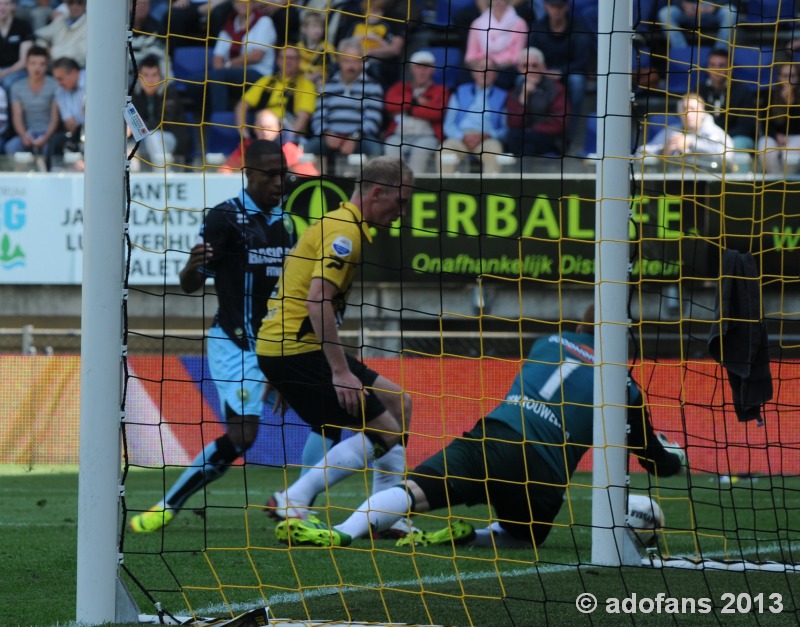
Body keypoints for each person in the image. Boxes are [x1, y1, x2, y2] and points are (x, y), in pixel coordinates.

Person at [275, 306, 688, 549]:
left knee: (410, 493)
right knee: (525, 536)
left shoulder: (547, 343)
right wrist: (674, 458)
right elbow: (653, 459)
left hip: (493, 438)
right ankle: (471, 536)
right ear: (626, 344)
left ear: (580, 328)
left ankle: (342, 534)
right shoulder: (626, 387)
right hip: (543, 474)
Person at [129, 139, 312, 533]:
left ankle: (298, 502)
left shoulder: (291, 222)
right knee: (243, 436)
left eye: (284, 174)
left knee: (330, 414)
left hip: (280, 342)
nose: (280, 182)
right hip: (238, 344)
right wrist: (190, 269)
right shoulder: (224, 219)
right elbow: (192, 283)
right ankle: (169, 505)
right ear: (249, 174)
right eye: (271, 175)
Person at [256, 156, 415, 537]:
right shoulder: (345, 233)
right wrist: (340, 371)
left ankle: (387, 515)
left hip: (291, 348)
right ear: (377, 193)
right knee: (387, 431)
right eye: (402, 201)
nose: (403, 212)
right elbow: (317, 301)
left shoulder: (340, 223)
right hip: (297, 349)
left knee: (400, 403)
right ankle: (293, 498)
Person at [303, 38, 385, 165]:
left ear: (362, 62)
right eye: (347, 61)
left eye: (355, 61)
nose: (351, 66)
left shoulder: (373, 86)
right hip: (330, 136)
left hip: (360, 137)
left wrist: (354, 137)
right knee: (308, 149)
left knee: (375, 150)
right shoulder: (327, 86)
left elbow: (373, 121)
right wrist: (327, 133)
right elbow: (318, 118)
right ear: (340, 61)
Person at [383, 49, 450, 174]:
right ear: (412, 69)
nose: (422, 71)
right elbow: (390, 104)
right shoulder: (400, 87)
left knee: (419, 153)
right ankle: (396, 188)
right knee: (391, 148)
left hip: (426, 137)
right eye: (419, 66)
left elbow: (436, 112)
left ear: (433, 69)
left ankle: (412, 189)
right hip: (399, 135)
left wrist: (408, 108)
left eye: (426, 67)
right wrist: (416, 101)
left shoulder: (440, 90)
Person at [233, 45, 317, 144]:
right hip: (263, 130)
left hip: (289, 134)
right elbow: (242, 104)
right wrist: (244, 132)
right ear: (278, 60)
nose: (288, 61)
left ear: (299, 61)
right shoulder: (266, 81)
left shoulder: (306, 85)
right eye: (284, 57)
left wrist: (289, 139)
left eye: (292, 58)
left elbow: (304, 116)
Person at [206, 0, 276, 117]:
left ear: (253, 3)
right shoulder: (230, 24)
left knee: (216, 76)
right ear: (233, 4)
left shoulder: (264, 22)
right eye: (239, 1)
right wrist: (220, 70)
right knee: (196, 82)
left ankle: (220, 119)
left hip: (258, 73)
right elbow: (217, 57)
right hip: (231, 73)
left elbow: (257, 56)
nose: (243, 3)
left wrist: (227, 66)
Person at [441, 58, 508, 175]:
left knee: (495, 152)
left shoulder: (503, 96)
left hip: (487, 138)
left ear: (496, 74)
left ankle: (488, 191)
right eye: (481, 68)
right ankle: (446, 189)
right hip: (460, 137)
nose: (485, 71)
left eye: (490, 69)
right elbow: (448, 124)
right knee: (445, 151)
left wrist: (489, 135)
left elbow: (505, 129)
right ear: (473, 72)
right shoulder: (459, 92)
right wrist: (462, 136)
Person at [528, 0, 594, 118]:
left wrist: (561, 72)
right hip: (543, 72)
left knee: (577, 81)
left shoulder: (579, 27)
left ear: (566, 7)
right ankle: (533, 126)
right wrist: (543, 71)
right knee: (522, 79)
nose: (556, 10)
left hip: (570, 73)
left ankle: (571, 127)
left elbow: (583, 62)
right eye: (553, 6)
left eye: (560, 6)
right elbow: (531, 55)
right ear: (546, 7)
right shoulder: (538, 27)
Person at [638, 92, 734, 169]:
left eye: (693, 109)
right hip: (674, 183)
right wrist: (662, 151)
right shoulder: (671, 132)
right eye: (684, 109)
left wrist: (691, 142)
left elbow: (727, 154)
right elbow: (640, 153)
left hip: (708, 183)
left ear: (702, 111)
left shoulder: (714, 132)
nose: (688, 113)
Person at [504, 46, 569, 158]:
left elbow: (560, 122)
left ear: (543, 67)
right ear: (519, 68)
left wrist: (534, 129)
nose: (530, 69)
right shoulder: (515, 92)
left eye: (535, 65)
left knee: (528, 147)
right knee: (513, 138)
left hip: (549, 137)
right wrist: (523, 97)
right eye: (525, 66)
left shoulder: (556, 89)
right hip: (522, 137)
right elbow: (514, 124)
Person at [129, 54, 191, 166]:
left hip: (171, 141)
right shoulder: (133, 95)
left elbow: (162, 123)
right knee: (129, 149)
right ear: (138, 77)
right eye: (145, 75)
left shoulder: (169, 93)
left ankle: (163, 173)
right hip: (142, 142)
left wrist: (134, 127)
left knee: (154, 136)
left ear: (160, 76)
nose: (150, 80)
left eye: (154, 75)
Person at [221, 108, 319, 177]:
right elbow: (226, 169)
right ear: (255, 129)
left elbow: (311, 175)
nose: (265, 132)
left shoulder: (289, 149)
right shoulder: (246, 147)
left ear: (278, 128)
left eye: (269, 128)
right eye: (261, 127)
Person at [5, 44, 59, 169]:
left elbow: (54, 118)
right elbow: (17, 116)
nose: (37, 68)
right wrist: (24, 136)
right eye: (33, 63)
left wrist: (45, 137)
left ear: (47, 65)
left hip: (48, 134)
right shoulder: (17, 87)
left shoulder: (54, 85)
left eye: (42, 64)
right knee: (11, 146)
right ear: (26, 65)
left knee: (50, 148)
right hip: (26, 133)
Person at [699, 47, 758, 151]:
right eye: (713, 65)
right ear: (707, 67)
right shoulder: (699, 90)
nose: (717, 70)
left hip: (735, 137)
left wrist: (720, 138)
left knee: (731, 146)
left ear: (730, 67)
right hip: (707, 136)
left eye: (722, 65)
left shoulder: (742, 90)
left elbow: (745, 127)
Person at [464, 0, 529, 89]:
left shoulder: (520, 24)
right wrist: (480, 68)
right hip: (480, 66)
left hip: (505, 69)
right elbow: (470, 56)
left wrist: (494, 67)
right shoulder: (477, 23)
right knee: (463, 79)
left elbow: (516, 57)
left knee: (502, 80)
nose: (498, 1)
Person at [346, 0, 404, 89]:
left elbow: (393, 48)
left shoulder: (385, 26)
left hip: (376, 62)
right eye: (370, 11)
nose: (373, 15)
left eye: (377, 12)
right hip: (356, 58)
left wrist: (375, 41)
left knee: (374, 69)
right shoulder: (357, 25)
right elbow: (346, 43)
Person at [756, 60, 800, 175]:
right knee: (764, 146)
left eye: (792, 76)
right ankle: (775, 182)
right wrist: (776, 135)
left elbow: (797, 126)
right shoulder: (769, 95)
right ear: (779, 77)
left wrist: (791, 104)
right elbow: (764, 123)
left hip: (796, 136)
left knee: (791, 155)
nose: (788, 80)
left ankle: (788, 185)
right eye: (784, 76)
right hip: (775, 136)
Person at [657, 0, 737, 52]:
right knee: (665, 13)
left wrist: (715, 6)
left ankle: (720, 53)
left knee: (730, 12)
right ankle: (681, 52)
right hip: (688, 13)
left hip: (713, 12)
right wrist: (683, 4)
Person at [34, 0, 86, 68]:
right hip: (52, 65)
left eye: (79, 3)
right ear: (66, 4)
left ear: (85, 5)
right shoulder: (61, 19)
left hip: (73, 69)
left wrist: (51, 52)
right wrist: (44, 48)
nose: (74, 7)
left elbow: (80, 54)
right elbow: (41, 36)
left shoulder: (90, 24)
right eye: (71, 2)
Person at [293, 9, 335, 89]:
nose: (318, 30)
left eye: (321, 27)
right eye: (314, 26)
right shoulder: (297, 47)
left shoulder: (327, 48)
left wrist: (316, 75)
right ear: (303, 29)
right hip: (298, 83)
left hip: (319, 84)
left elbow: (330, 71)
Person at [51, 55, 83, 159]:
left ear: (74, 73)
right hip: (79, 134)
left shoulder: (93, 83)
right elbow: (70, 124)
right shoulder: (60, 93)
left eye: (61, 79)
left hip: (99, 130)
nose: (59, 83)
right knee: (57, 140)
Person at [0, 0, 33, 92]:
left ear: (13, 6)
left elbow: (24, 61)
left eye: (6, 4)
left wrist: (3, 73)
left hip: (17, 70)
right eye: (0, 4)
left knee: (7, 83)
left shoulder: (23, 26)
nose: (2, 7)